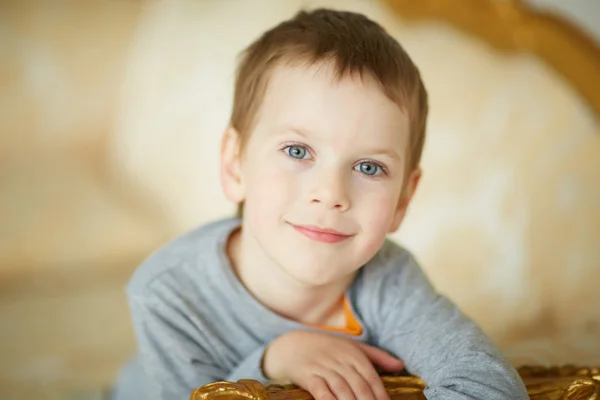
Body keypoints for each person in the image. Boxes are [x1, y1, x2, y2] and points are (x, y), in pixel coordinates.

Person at [111, 8, 528, 400]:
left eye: (368, 167)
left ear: (403, 199)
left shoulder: (388, 282)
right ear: (235, 164)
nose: (331, 194)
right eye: (297, 151)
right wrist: (274, 360)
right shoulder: (169, 292)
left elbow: (488, 384)